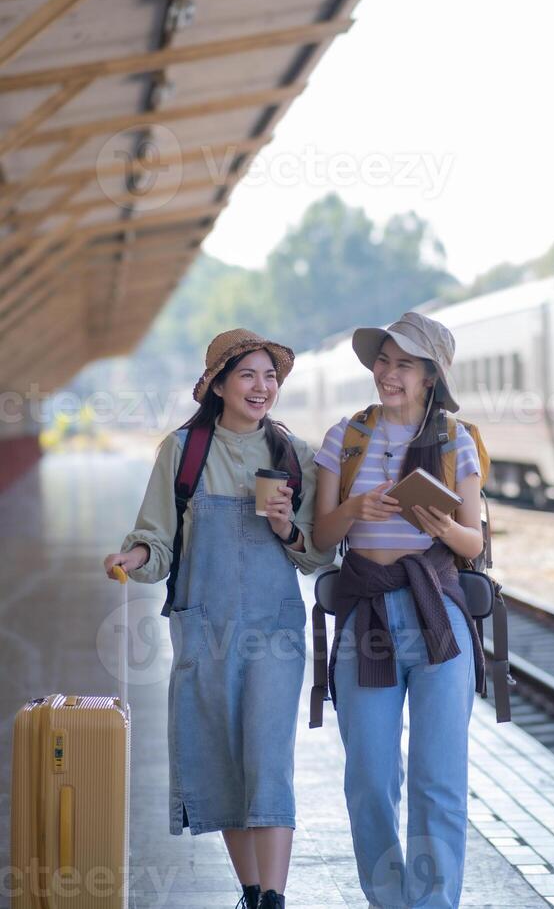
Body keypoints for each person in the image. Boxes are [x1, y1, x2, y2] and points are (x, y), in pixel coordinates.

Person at [104, 329, 335, 909]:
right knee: (224, 758)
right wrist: (131, 558)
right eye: (249, 376)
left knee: (266, 758)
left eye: (270, 377)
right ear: (221, 385)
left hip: (275, 628)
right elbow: (156, 539)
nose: (263, 388)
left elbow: (316, 555)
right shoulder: (183, 451)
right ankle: (253, 893)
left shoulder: (294, 456)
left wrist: (285, 526)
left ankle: (275, 899)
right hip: (205, 626)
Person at [312, 311, 486, 909]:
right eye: (383, 361)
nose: (387, 374)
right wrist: (356, 510)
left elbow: (473, 542)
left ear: (430, 376)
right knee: (369, 779)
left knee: (438, 781)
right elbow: (319, 535)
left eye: (403, 364)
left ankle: (433, 904)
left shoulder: (455, 440)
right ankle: (388, 900)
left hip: (439, 616)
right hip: (368, 618)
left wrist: (441, 525)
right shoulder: (347, 436)